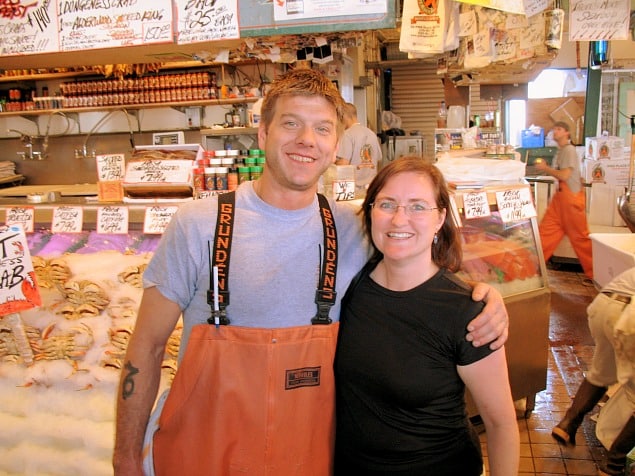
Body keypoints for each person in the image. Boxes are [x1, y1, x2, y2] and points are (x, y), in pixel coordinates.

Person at [113, 68, 509, 476]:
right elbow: (145, 347)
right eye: (291, 124)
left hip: (306, 458)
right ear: (263, 134)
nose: (306, 140)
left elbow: (414, 263)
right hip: (204, 454)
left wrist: (480, 299)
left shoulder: (354, 228)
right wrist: (125, 460)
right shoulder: (198, 223)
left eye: (322, 128)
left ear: (335, 144)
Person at [334, 157, 519, 476]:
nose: (399, 219)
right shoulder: (348, 290)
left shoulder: (468, 310)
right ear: (371, 212)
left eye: (418, 206)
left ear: (440, 218)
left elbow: (500, 424)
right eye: (387, 204)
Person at [552, 267, 635, 476]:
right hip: (630, 317)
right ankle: (613, 466)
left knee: (601, 372)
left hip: (605, 303)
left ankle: (567, 424)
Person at [535, 121, 593, 279]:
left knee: (581, 241)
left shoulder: (569, 150)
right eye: (554, 129)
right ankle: (531, 271)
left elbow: (565, 176)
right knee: (543, 236)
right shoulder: (560, 151)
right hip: (559, 200)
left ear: (567, 133)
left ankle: (598, 275)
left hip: (570, 201)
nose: (555, 132)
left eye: (559, 129)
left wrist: (546, 168)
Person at [335, 102, 382, 198]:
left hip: (352, 192)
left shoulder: (347, 135)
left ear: (343, 116)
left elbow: (343, 166)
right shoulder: (371, 133)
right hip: (370, 190)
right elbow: (378, 160)